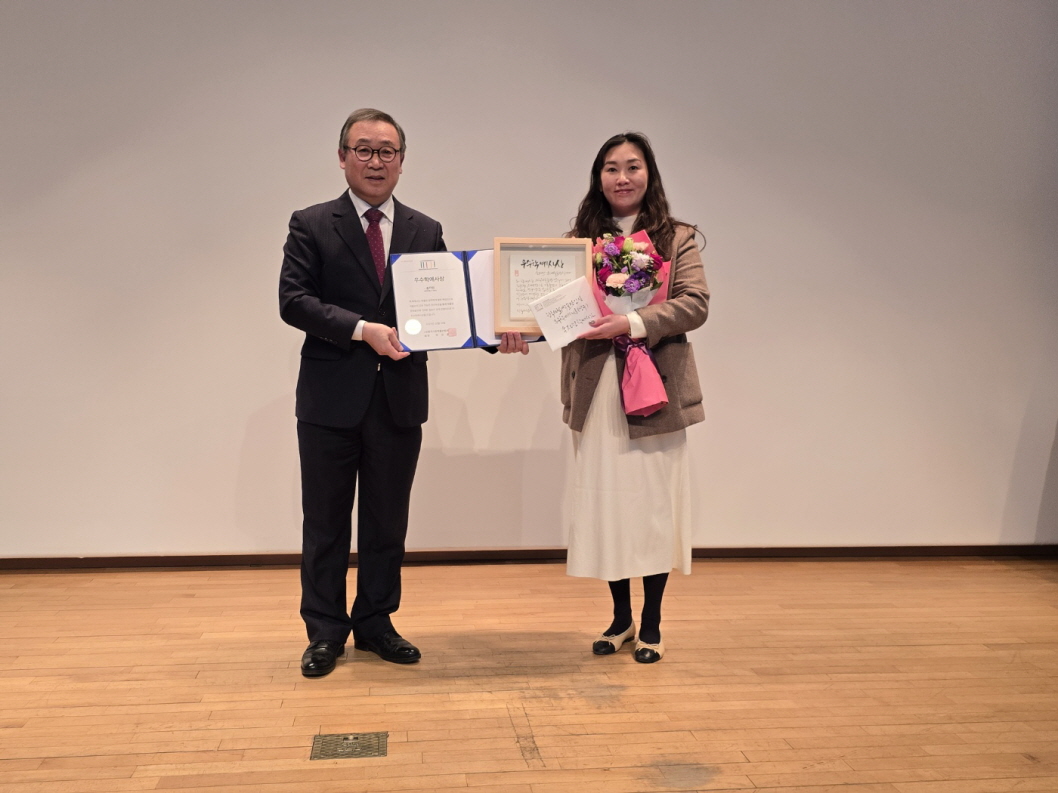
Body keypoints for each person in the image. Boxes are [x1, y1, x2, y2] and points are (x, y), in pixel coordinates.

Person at [501, 131, 709, 663]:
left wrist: (633, 323)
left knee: (653, 508)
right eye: (611, 168)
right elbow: (553, 313)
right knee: (607, 505)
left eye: (633, 166)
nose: (622, 177)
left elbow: (695, 304)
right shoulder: (578, 243)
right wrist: (517, 329)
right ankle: (620, 618)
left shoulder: (677, 238)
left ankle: (652, 621)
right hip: (596, 391)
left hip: (655, 391)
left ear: (649, 174)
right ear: (598, 178)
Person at [279, 108, 445, 677]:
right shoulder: (311, 223)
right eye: (365, 149)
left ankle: (376, 623)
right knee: (325, 523)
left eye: (387, 151)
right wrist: (361, 329)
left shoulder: (426, 229)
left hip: (398, 398)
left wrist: (499, 334)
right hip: (329, 400)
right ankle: (325, 631)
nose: (376, 161)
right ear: (343, 156)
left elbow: (446, 308)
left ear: (402, 160)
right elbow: (293, 301)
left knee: (386, 522)